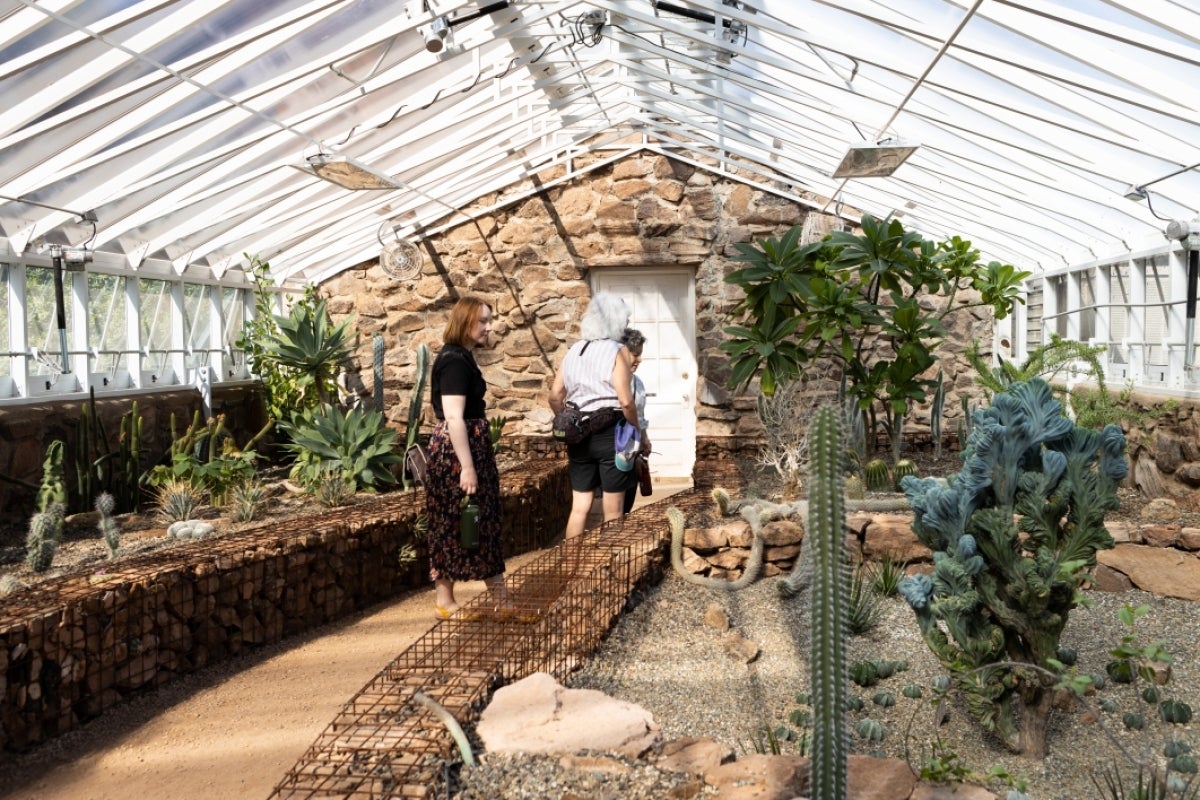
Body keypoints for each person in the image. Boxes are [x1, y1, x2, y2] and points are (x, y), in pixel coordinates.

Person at [425, 296, 506, 619]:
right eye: (483, 321)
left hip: (466, 451)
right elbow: (454, 418)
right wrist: (468, 467)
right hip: (457, 456)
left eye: (489, 320)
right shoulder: (455, 361)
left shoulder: (462, 357)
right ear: (465, 323)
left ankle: (499, 600)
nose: (489, 327)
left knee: (476, 522)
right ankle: (448, 601)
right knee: (455, 522)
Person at [549, 293, 640, 539]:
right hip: (611, 433)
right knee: (613, 511)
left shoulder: (573, 351)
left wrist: (571, 421)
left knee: (579, 508)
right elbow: (625, 401)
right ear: (616, 321)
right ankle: (610, 571)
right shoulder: (617, 350)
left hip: (579, 436)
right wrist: (637, 430)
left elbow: (555, 396)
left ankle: (569, 568)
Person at [620, 327, 652, 514]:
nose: (639, 360)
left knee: (627, 498)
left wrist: (645, 439)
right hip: (615, 448)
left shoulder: (637, 383)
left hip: (631, 449)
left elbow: (640, 416)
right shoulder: (608, 380)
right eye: (635, 354)